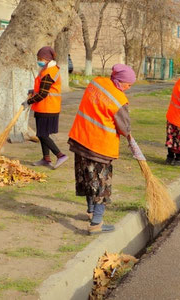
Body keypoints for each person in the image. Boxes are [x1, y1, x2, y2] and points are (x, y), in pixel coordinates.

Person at [67, 64, 135, 234]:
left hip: (80, 139)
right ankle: (96, 223)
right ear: (119, 82)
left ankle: (90, 212)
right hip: (99, 147)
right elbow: (124, 128)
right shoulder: (119, 100)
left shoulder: (95, 83)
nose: (129, 87)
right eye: (128, 84)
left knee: (87, 178)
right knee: (101, 185)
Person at [23, 46, 68, 169]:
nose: (39, 60)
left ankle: (60, 155)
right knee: (42, 134)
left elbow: (43, 93)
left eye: (40, 58)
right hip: (43, 107)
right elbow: (42, 88)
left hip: (48, 108)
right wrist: (33, 91)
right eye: (38, 58)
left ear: (47, 59)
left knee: (43, 135)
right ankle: (46, 159)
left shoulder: (49, 72)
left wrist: (29, 101)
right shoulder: (46, 69)